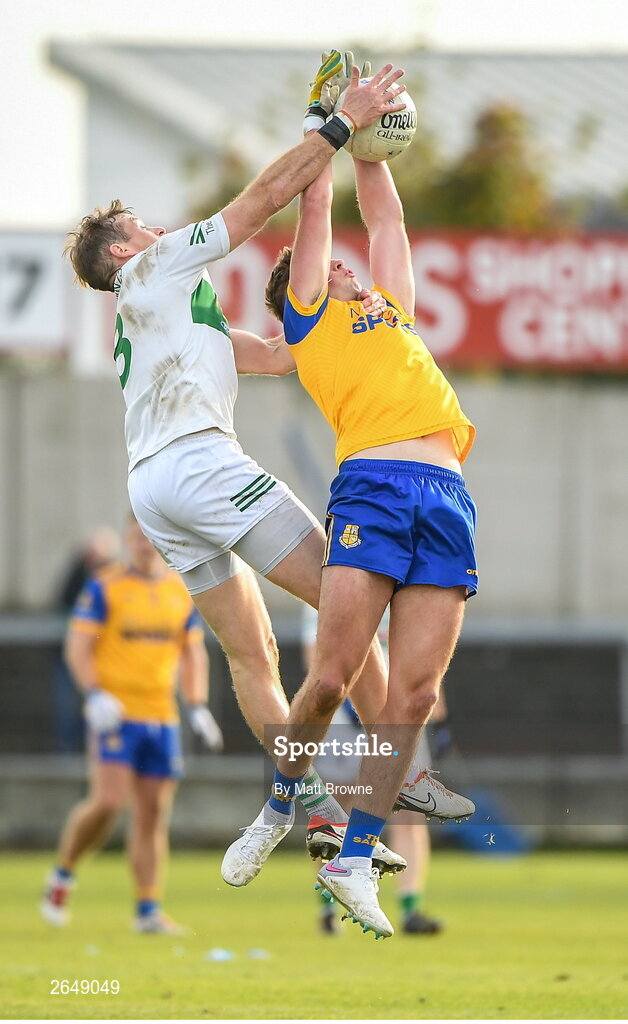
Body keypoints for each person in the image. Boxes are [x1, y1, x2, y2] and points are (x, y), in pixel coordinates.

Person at [62, 57, 413, 876]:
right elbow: (257, 208)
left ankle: (317, 806)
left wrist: (339, 304)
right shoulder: (154, 267)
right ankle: (396, 780)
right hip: (201, 468)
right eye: (143, 224)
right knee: (347, 591)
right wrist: (333, 128)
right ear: (123, 246)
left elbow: (284, 355)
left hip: (154, 492)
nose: (157, 228)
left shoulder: (166, 321)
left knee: (254, 654)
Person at [225, 51, 478, 939]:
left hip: (447, 494)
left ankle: (356, 856)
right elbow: (323, 212)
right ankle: (281, 808)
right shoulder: (314, 322)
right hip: (373, 483)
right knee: (331, 677)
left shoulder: (392, 311)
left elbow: (387, 217)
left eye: (337, 266)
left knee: (409, 698)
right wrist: (326, 124)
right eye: (324, 267)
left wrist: (375, 133)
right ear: (301, 291)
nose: (343, 268)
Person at [40, 515, 223, 934]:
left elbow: (193, 652)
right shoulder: (105, 586)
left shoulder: (180, 589)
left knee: (153, 813)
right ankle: (62, 875)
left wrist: (197, 705)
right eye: (135, 536)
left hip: (162, 716)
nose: (143, 544)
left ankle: (147, 910)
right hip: (117, 715)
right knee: (108, 802)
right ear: (126, 540)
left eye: (149, 536)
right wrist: (95, 694)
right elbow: (78, 646)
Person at [302, 605, 444, 937]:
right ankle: (329, 905)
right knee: (335, 813)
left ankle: (410, 907)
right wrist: (348, 701)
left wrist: (439, 715)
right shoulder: (334, 581)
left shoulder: (410, 585)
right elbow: (317, 656)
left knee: (411, 811)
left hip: (401, 718)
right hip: (345, 720)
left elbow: (428, 657)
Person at [51, 525, 122, 753]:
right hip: (73, 655)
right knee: (68, 708)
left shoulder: (115, 579)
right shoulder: (76, 575)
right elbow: (62, 606)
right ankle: (67, 755)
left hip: (106, 657)